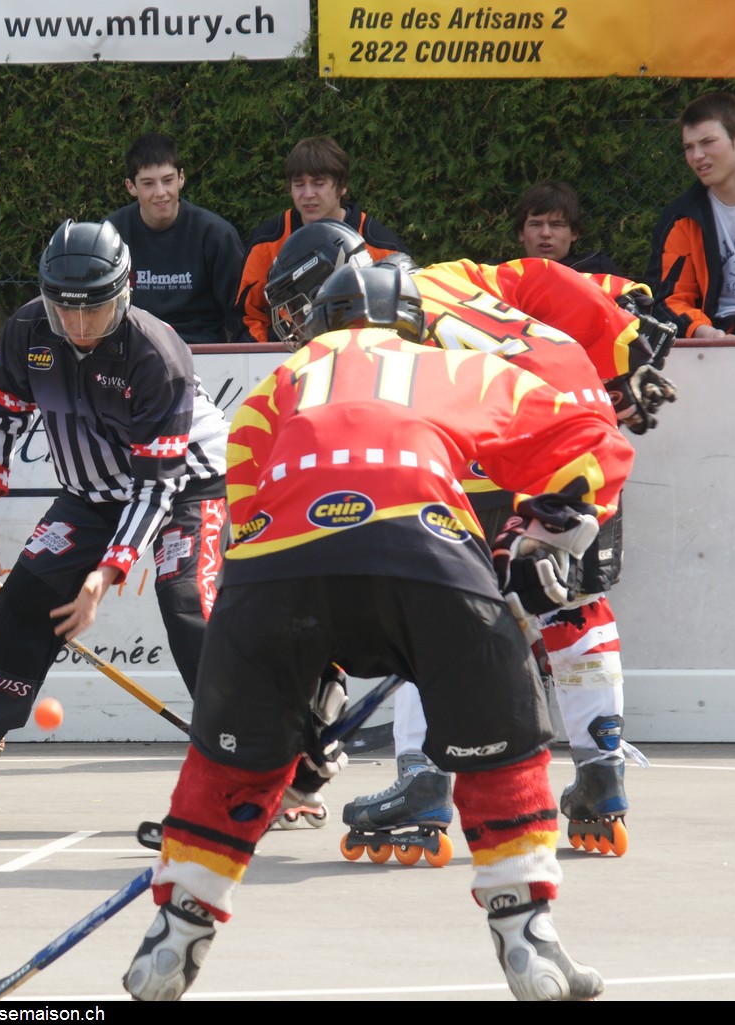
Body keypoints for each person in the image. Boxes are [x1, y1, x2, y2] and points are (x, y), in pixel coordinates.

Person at [123, 262, 632, 1002]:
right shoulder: (454, 367)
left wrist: (302, 697)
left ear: (318, 323)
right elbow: (590, 435)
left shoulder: (276, 385)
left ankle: (177, 931)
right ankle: (528, 936)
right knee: (504, 743)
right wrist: (542, 533)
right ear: (414, 324)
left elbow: (248, 512)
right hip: (426, 555)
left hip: (275, 573)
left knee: (228, 762)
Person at [263, 221, 678, 853]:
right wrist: (624, 352)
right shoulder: (452, 274)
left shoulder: (370, 338)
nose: (297, 327)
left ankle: (423, 781)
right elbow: (553, 281)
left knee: (419, 607)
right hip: (585, 430)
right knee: (575, 606)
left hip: (500, 445)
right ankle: (603, 777)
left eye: (300, 306)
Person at [0, 219, 229, 809]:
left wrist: (104, 575)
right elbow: (0, 416)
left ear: (126, 292)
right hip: (91, 493)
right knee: (26, 597)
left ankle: (255, 757)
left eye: (95, 309)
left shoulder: (156, 354)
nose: (79, 326)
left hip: (187, 484)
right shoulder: (29, 330)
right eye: (65, 309)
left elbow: (155, 489)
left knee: (187, 601)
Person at [234, 135, 406, 345]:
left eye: (318, 184)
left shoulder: (381, 245)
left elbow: (405, 315)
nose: (308, 194)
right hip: (286, 355)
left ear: (342, 186)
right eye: (299, 185)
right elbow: (247, 315)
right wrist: (267, 352)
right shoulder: (267, 242)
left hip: (361, 353)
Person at [105, 131, 250, 344]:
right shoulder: (110, 235)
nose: (160, 192)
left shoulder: (216, 235)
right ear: (131, 187)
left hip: (201, 350)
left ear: (181, 178)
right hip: (133, 350)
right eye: (148, 183)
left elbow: (243, 314)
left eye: (167, 180)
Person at [647, 90, 735, 339]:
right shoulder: (680, 218)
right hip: (710, 344)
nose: (697, 156)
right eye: (689, 147)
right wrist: (704, 333)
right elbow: (666, 299)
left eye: (707, 142)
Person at [513, 180, 626, 277]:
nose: (545, 233)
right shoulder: (506, 279)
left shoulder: (599, 271)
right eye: (536, 224)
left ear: (574, 232)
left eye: (556, 225)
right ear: (521, 233)